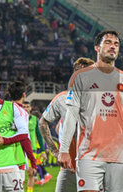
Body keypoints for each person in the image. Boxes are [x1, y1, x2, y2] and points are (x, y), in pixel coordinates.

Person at [58, 31, 123, 192]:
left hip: (118, 157)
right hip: (88, 155)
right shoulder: (80, 77)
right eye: (108, 42)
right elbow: (71, 115)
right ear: (96, 47)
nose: (112, 46)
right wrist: (64, 150)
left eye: (116, 44)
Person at [39, 57, 94, 192]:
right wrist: (55, 150)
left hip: (95, 168)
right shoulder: (62, 99)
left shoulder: (103, 100)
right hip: (69, 169)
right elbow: (42, 123)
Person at [7, 81, 39, 192]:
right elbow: (24, 138)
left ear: (9, 94)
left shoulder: (3, 110)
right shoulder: (22, 112)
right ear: (24, 95)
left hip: (3, 156)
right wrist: (32, 161)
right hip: (18, 156)